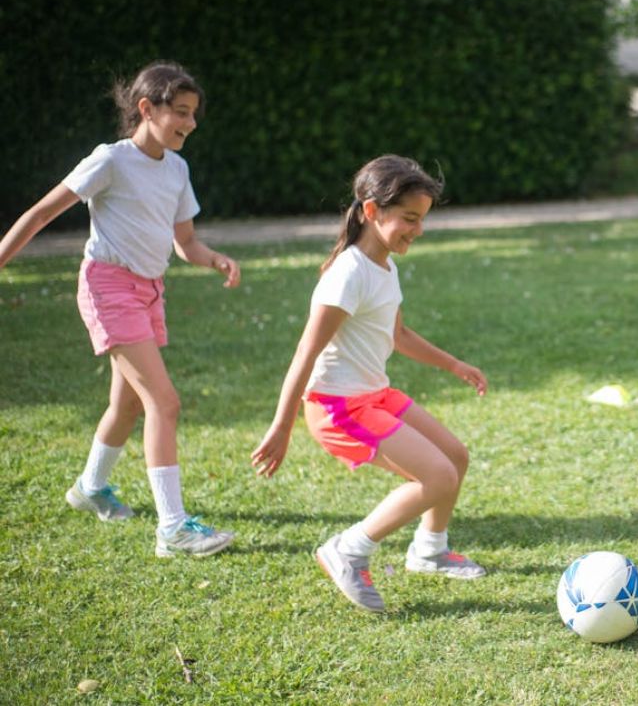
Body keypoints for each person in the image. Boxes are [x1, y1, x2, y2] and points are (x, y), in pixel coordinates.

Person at [0, 61, 240, 557]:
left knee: (129, 402)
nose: (190, 124)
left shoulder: (177, 169)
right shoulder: (110, 160)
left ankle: (90, 488)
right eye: (180, 112)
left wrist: (214, 259)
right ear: (146, 108)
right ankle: (172, 529)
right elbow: (43, 211)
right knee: (164, 402)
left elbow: (186, 243)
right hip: (108, 286)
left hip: (149, 290)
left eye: (194, 114)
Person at [251, 155, 488, 614]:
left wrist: (454, 364)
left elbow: (397, 335)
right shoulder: (348, 274)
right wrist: (282, 427)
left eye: (421, 221)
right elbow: (306, 353)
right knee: (437, 476)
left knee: (455, 457)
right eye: (409, 219)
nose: (416, 231)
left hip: (374, 394)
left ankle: (429, 551)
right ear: (372, 210)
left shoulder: (383, 265)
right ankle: (349, 549)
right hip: (337, 406)